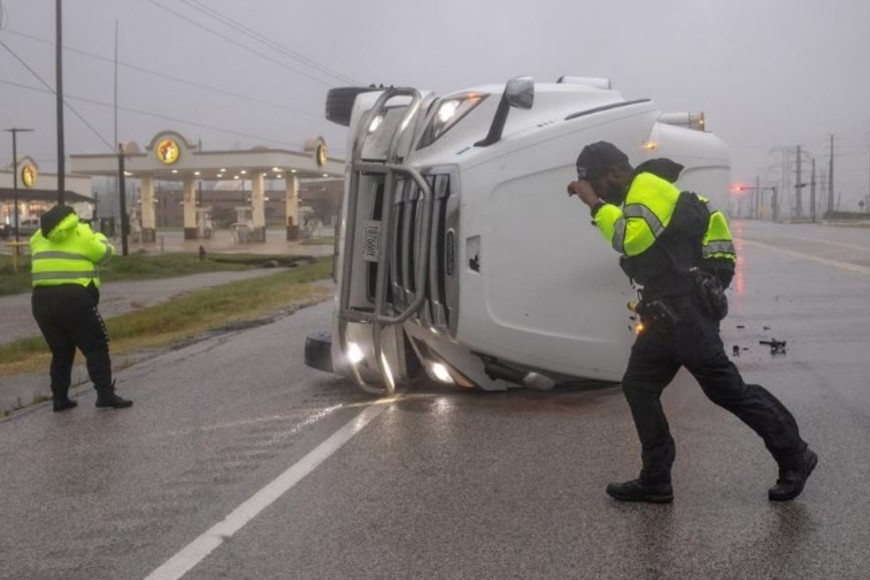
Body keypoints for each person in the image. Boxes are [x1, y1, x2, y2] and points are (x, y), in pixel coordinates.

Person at [566, 141, 815, 503]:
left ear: (617, 172)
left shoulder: (646, 187)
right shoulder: (644, 192)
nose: (599, 193)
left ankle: (796, 455)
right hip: (665, 314)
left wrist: (594, 204)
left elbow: (629, 240)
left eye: (599, 184)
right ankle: (655, 479)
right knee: (638, 385)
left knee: (728, 390)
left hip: (685, 314)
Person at [30, 204, 133, 411]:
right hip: (74, 300)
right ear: (71, 218)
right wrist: (101, 238)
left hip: (41, 301)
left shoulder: (38, 237)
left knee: (60, 350)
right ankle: (105, 394)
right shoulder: (82, 232)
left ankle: (60, 399)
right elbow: (103, 255)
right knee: (96, 345)